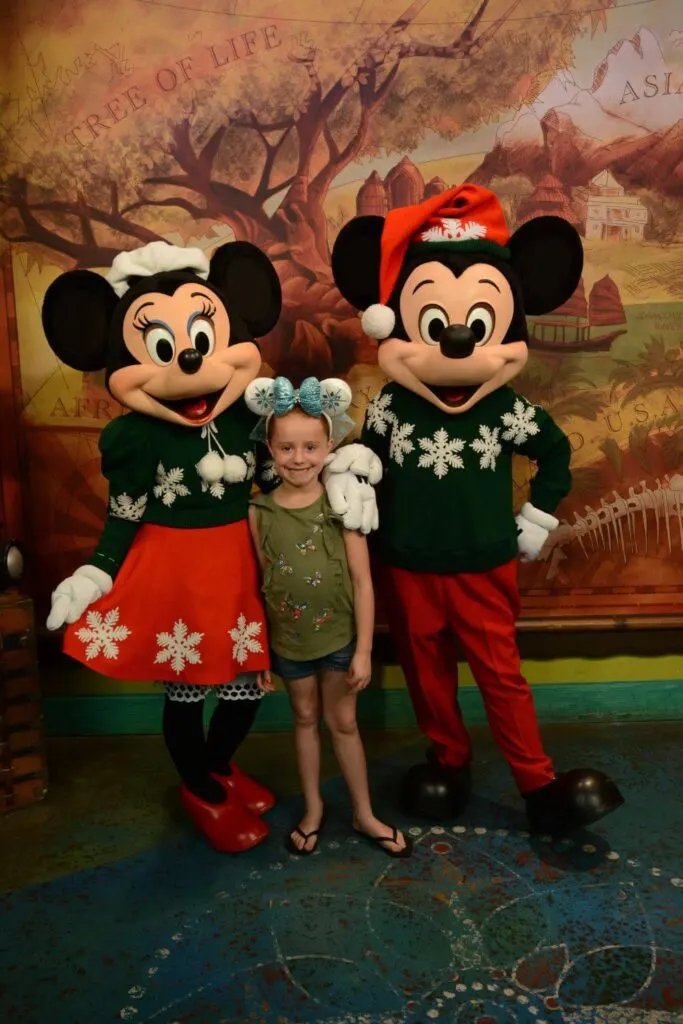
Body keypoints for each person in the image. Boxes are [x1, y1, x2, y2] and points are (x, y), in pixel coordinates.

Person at [245, 375, 412, 858]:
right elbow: (259, 583)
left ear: (330, 444)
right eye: (287, 448)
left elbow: (363, 582)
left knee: (342, 723)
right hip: (288, 641)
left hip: (339, 638)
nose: (299, 459)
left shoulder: (343, 505)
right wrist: (259, 652)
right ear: (271, 449)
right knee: (303, 717)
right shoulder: (259, 511)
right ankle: (313, 808)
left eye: (310, 447)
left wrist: (363, 650)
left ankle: (363, 813)